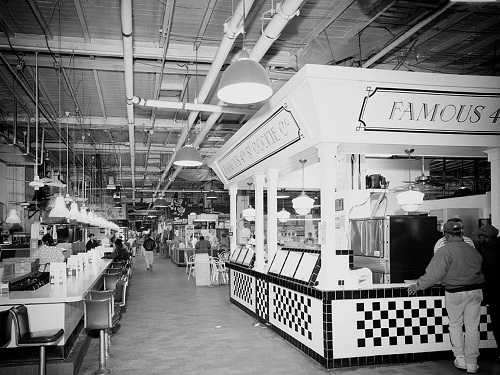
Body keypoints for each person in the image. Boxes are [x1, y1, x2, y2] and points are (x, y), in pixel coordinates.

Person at [408, 221, 484, 374]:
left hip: (455, 292)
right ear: (461, 233)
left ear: (447, 235)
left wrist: (419, 285)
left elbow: (434, 274)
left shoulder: (445, 250)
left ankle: (460, 359)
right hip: (476, 291)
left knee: (455, 324)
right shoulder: (472, 250)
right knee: (472, 328)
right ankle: (472, 363)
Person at [476, 224, 500, 361]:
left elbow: (486, 276)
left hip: (495, 295)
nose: (478, 240)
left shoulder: (487, 254)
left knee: (497, 325)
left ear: (487, 238)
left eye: (480, 237)